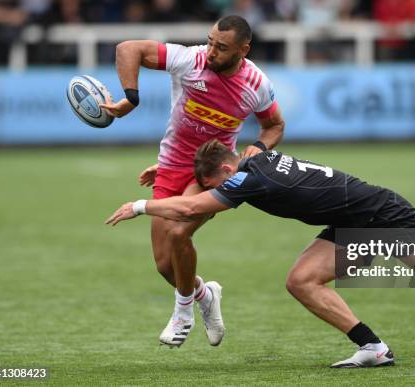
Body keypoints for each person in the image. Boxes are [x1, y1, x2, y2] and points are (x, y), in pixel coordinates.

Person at [105, 140, 415, 367]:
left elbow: (189, 205)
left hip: (382, 214)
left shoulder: (248, 177)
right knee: (301, 280)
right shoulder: (253, 157)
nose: (222, 193)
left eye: (221, 184)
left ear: (228, 171)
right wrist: (171, 167)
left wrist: (140, 206)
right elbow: (247, 149)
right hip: (349, 221)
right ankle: (373, 348)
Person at [99, 16, 286, 348]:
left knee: (179, 229)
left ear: (244, 50)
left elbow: (274, 126)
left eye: (221, 47)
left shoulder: (255, 83)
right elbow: (128, 49)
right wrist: (131, 96)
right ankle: (204, 294)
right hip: (172, 164)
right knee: (163, 264)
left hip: (212, 171)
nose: (211, 51)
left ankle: (183, 312)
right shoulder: (191, 59)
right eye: (210, 41)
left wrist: (255, 148)